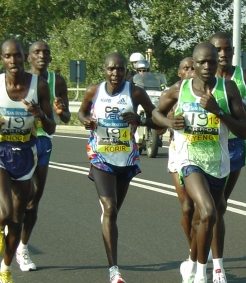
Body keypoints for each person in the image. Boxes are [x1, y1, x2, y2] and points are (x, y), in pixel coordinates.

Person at [152, 42, 246, 283]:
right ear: (193, 64)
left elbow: (245, 131)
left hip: (217, 162)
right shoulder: (181, 88)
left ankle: (192, 264)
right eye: (202, 62)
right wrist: (169, 123)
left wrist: (219, 112)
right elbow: (155, 114)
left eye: (212, 62)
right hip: (189, 159)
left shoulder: (227, 89)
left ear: (217, 63)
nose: (207, 66)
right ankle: (202, 275)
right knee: (206, 210)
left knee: (205, 218)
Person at [78, 52, 161, 283]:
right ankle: (114, 270)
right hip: (100, 157)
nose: (116, 73)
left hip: (126, 159)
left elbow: (157, 118)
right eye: (111, 69)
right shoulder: (94, 91)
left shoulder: (135, 92)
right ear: (104, 70)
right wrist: (86, 120)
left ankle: (106, 219)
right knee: (111, 208)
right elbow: (81, 112)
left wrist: (140, 119)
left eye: (120, 69)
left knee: (113, 214)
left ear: (127, 71)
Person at [207, 32, 246, 281]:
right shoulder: (199, 80)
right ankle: (203, 251)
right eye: (218, 50)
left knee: (220, 204)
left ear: (233, 51)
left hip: (234, 147)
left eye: (227, 50)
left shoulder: (245, 77)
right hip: (206, 146)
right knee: (208, 205)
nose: (223, 54)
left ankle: (214, 256)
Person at [0, 39, 56, 283]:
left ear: (24, 57)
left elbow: (51, 128)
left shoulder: (39, 86)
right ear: (2, 59)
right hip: (0, 152)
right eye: (8, 56)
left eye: (18, 56)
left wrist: (39, 114)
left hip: (25, 154)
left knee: (17, 219)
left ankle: (5, 268)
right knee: (4, 212)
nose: (14, 61)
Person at [15, 41, 70, 272]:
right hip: (18, 140)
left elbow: (65, 117)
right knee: (16, 199)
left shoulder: (56, 81)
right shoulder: (21, 80)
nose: (42, 55)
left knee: (34, 199)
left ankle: (22, 247)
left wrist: (60, 111)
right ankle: (8, 229)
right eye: (37, 52)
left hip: (43, 140)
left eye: (46, 52)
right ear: (28, 58)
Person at [167, 57, 195, 251]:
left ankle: (202, 243)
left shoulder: (206, 92)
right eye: (186, 68)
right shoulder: (173, 92)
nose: (191, 71)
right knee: (187, 206)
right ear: (179, 73)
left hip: (202, 153)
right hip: (178, 152)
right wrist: (170, 120)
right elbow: (158, 125)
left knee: (205, 208)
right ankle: (193, 249)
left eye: (194, 67)